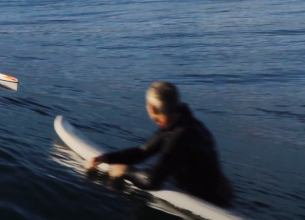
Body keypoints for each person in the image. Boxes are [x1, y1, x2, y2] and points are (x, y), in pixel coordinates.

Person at [89, 82, 234, 207]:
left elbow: (152, 181)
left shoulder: (181, 135)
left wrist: (126, 171)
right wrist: (106, 158)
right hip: (221, 191)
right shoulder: (179, 122)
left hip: (211, 200)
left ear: (151, 108)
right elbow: (142, 152)